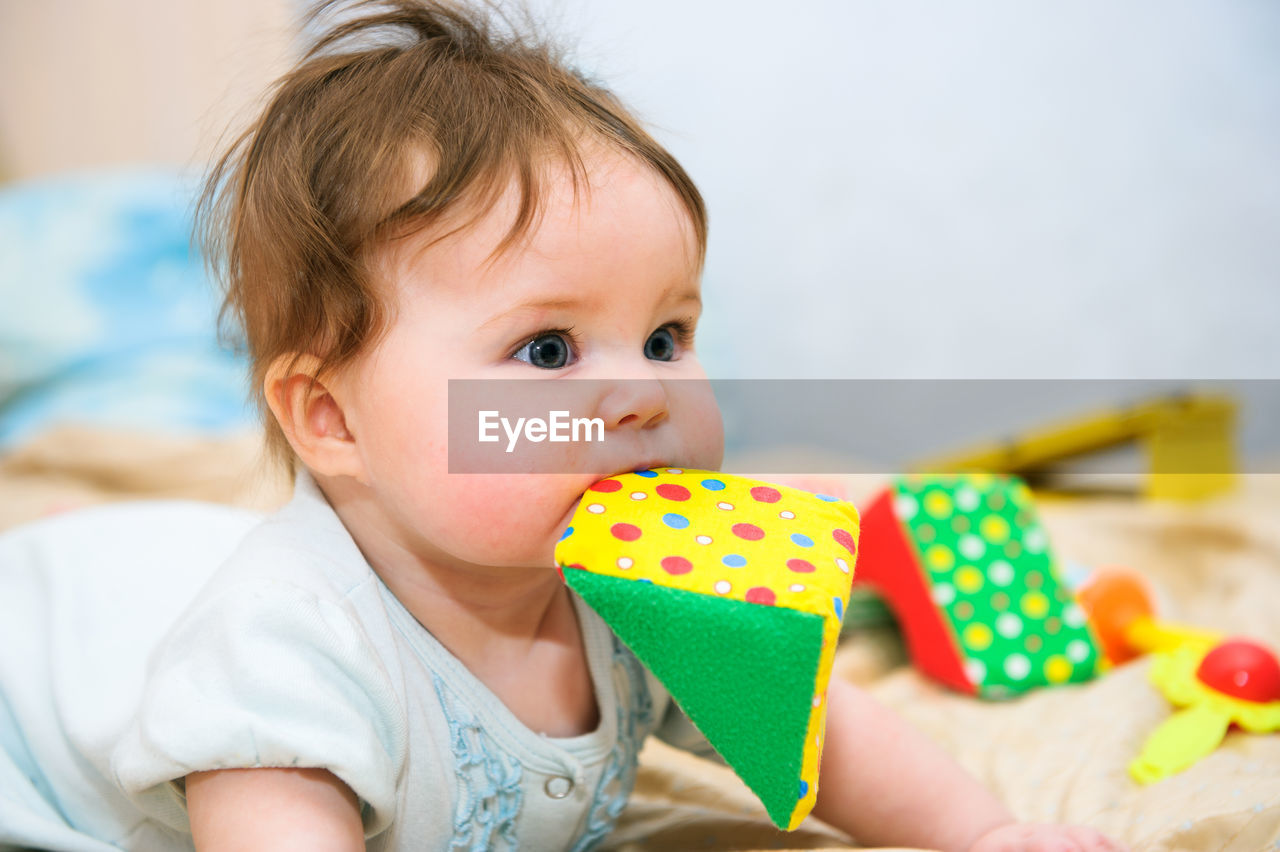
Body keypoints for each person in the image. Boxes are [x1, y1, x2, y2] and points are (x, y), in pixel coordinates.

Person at [0, 2, 1128, 850]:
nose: (644, 394)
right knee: (96, 605)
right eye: (546, 352)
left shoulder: (652, 581)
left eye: (668, 336)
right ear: (331, 416)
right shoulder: (282, 660)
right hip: (28, 687)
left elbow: (818, 725)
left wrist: (985, 836)